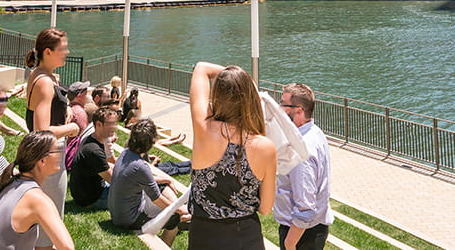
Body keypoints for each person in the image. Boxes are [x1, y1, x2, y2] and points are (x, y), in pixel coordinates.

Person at [188, 62, 277, 249]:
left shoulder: (204, 129)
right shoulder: (265, 146)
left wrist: (237, 79)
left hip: (203, 236)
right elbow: (265, 209)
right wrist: (245, 81)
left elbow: (201, 68)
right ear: (250, 98)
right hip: (246, 237)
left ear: (217, 95)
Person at [25, 28, 80, 248]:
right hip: (48, 158)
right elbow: (41, 130)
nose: (67, 52)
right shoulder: (45, 82)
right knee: (49, 224)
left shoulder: (42, 75)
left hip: (47, 156)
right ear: (48, 51)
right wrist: (71, 128)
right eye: (63, 49)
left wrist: (64, 109)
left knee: (46, 220)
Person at [0, 131, 76, 250]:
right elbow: (67, 247)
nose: (63, 153)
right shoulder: (37, 199)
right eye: (57, 150)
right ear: (42, 161)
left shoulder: (12, 183)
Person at [274, 83, 333, 250]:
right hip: (310, 231)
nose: (279, 109)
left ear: (298, 110)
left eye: (283, 104)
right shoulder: (315, 132)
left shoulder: (301, 152)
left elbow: (305, 208)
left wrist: (289, 243)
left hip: (300, 235)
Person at [110, 120, 188, 245]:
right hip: (129, 220)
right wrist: (179, 210)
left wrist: (167, 180)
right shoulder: (140, 166)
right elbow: (157, 199)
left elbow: (146, 180)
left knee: (164, 186)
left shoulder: (126, 153)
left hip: (118, 213)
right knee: (175, 218)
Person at [67, 106, 120, 208]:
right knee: (134, 193)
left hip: (83, 193)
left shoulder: (91, 139)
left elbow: (106, 165)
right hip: (91, 198)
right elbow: (114, 181)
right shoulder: (94, 150)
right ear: (99, 124)